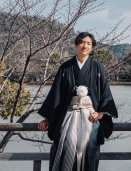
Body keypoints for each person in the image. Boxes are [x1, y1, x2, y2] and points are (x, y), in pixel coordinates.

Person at [38, 32, 118, 171]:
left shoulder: (97, 67)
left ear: (92, 47)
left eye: (88, 43)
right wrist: (47, 118)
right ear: (76, 45)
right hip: (69, 114)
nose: (85, 46)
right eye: (82, 42)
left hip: (90, 115)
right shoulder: (65, 68)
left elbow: (105, 92)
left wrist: (101, 113)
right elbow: (55, 94)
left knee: (88, 145)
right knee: (67, 143)